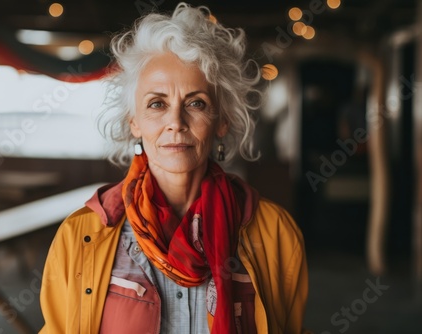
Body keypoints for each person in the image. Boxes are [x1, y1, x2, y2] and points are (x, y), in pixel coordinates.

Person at [39, 3, 308, 333]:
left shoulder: (275, 233)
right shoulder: (80, 235)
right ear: (134, 121)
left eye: (196, 103)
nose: (176, 123)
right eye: (157, 104)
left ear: (221, 121)